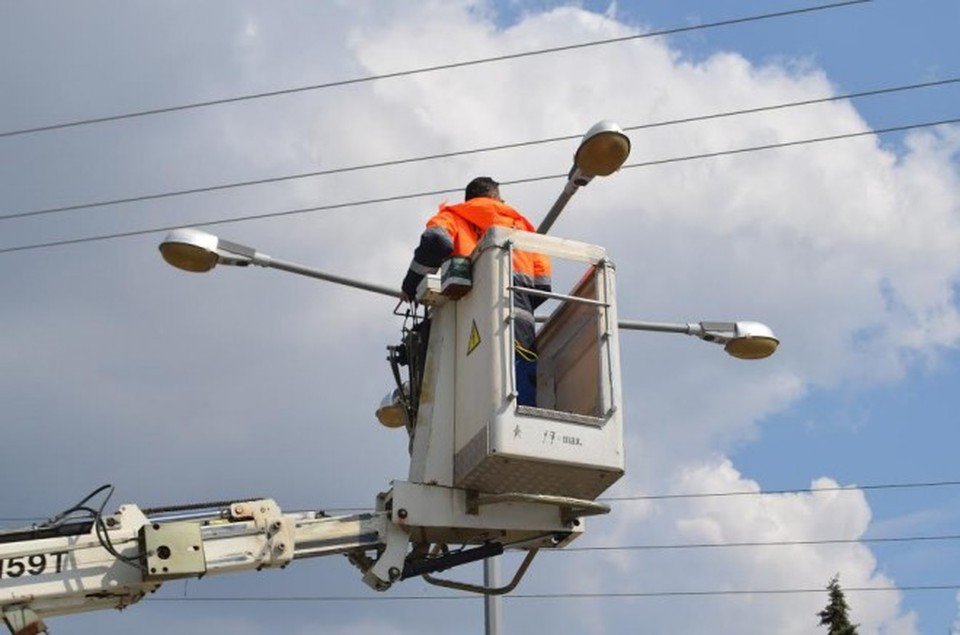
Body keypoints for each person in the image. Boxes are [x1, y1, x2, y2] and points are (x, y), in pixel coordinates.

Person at [400, 177, 551, 406]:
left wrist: (410, 286)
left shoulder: (454, 216)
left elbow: (436, 241)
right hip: (519, 324)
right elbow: (542, 286)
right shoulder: (524, 229)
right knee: (518, 391)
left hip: (468, 320)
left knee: (468, 391)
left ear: (470, 199)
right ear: (496, 198)